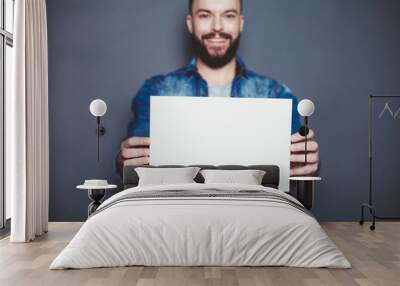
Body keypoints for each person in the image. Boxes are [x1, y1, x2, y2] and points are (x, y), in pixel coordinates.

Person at [117, 0, 319, 177]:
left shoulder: (277, 95)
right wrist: (124, 160)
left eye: (229, 15)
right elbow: (134, 167)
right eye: (205, 15)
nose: (217, 27)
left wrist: (307, 164)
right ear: (190, 23)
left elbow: (296, 167)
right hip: (180, 211)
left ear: (240, 23)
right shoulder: (155, 90)